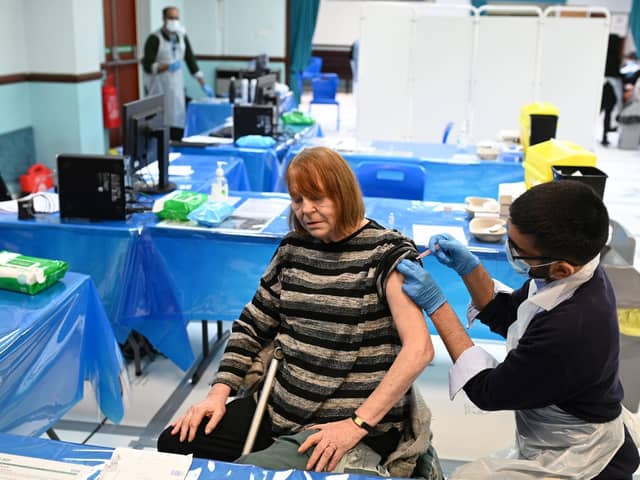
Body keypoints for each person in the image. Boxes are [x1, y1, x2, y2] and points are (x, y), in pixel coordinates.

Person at [158, 146, 442, 478]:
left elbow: (419, 349)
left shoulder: (387, 254)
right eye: (297, 200)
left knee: (245, 474)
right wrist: (218, 394)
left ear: (343, 193)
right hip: (281, 410)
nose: (306, 210)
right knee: (174, 445)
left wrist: (357, 424)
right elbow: (252, 325)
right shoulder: (294, 249)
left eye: (317, 198)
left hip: (349, 423)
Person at [397, 181, 640, 479]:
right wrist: (469, 268)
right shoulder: (568, 277)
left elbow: (489, 390)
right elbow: (511, 315)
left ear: (562, 268)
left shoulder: (571, 327)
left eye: (517, 250)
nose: (508, 252)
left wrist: (437, 306)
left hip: (580, 455)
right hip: (560, 432)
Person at [141, 6, 213, 140]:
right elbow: (147, 65)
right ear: (163, 18)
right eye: (171, 18)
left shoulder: (181, 37)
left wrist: (203, 85)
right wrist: (167, 66)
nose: (174, 21)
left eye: (176, 18)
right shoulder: (154, 39)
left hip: (176, 87)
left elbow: (191, 61)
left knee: (177, 119)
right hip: (159, 87)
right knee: (161, 121)